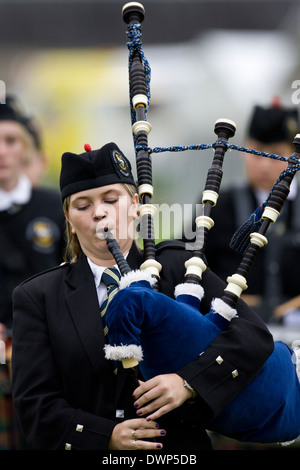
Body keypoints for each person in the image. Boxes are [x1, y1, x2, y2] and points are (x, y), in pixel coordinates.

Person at [11, 142, 273, 450]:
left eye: (111, 199)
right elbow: (34, 405)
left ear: (136, 204)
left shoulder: (179, 268)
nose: (99, 213)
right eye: (82, 206)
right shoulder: (38, 296)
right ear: (68, 217)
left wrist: (188, 383)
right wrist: (105, 437)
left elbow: (253, 336)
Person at [190, 100, 300, 323]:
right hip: (232, 324)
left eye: (276, 154)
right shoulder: (215, 205)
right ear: (244, 151)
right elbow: (189, 263)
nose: (265, 166)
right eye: (257, 153)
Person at [0, 96, 66, 449]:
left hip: (47, 347)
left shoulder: (54, 206)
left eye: (10, 141)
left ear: (26, 150)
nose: (2, 151)